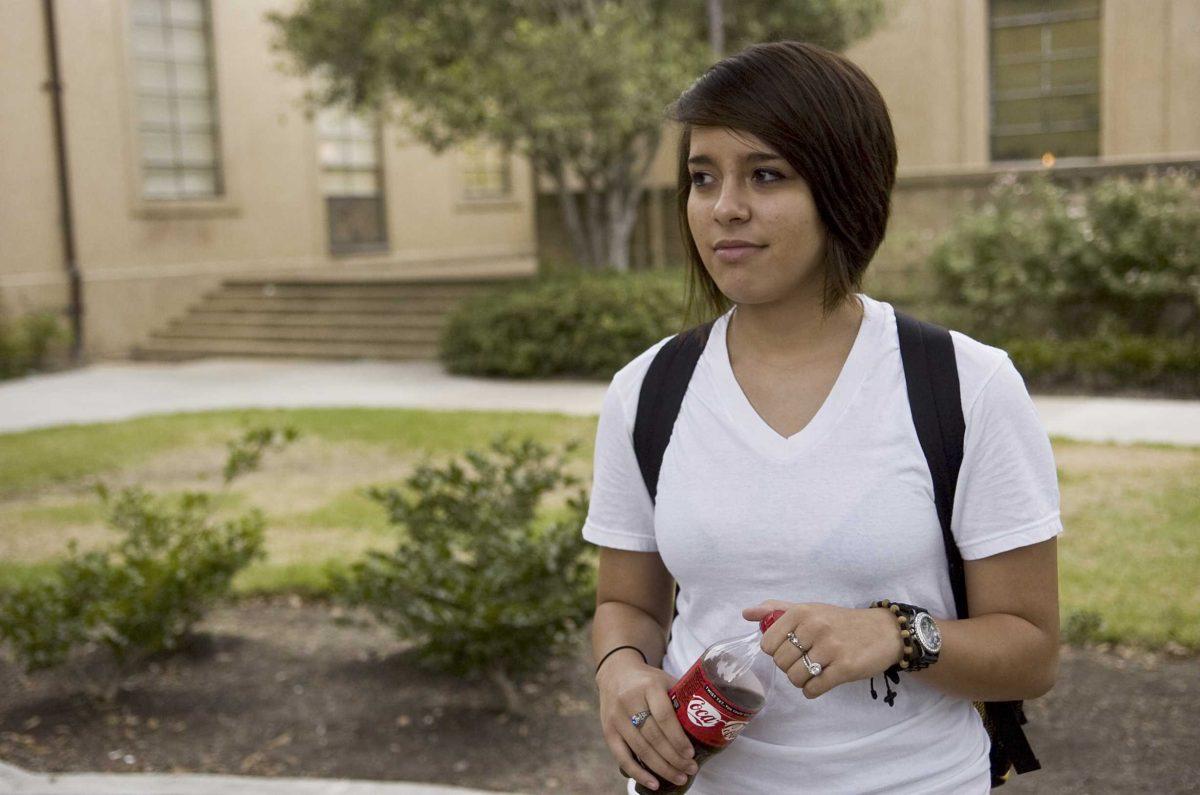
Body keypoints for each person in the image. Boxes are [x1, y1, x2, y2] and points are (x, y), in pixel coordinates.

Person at [584, 41, 1062, 794]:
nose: (724, 206)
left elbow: (1032, 650)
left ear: (843, 187)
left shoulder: (964, 385)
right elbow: (626, 603)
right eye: (702, 177)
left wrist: (895, 633)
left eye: (765, 174)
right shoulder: (647, 391)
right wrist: (621, 672)